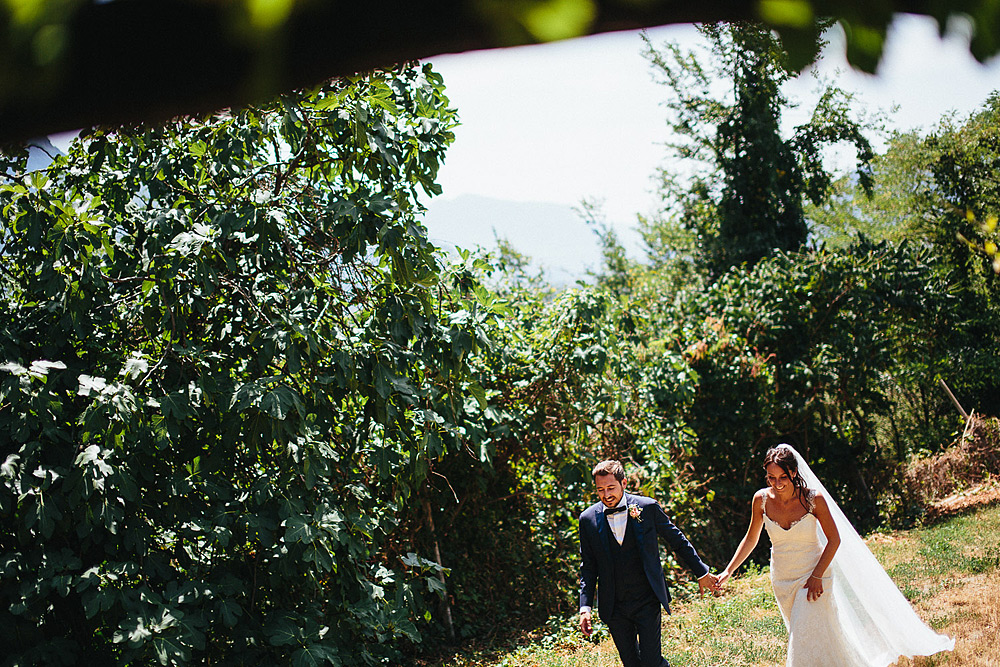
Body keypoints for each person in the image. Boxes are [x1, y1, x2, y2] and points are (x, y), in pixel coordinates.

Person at [717, 444, 955, 666]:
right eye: (771, 477)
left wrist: (817, 575)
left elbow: (834, 539)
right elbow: (751, 538)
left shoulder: (813, 499)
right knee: (815, 633)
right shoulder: (760, 500)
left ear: (793, 473)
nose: (777, 483)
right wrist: (729, 570)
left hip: (814, 573)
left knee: (803, 633)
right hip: (782, 577)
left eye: (783, 477)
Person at [579, 460, 719, 667]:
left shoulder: (647, 507)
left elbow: (677, 541)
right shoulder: (587, 519)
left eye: (611, 488)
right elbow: (588, 567)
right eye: (600, 490)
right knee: (630, 663)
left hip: (646, 598)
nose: (606, 495)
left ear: (624, 483)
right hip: (614, 605)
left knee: (651, 662)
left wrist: (701, 572)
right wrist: (585, 607)